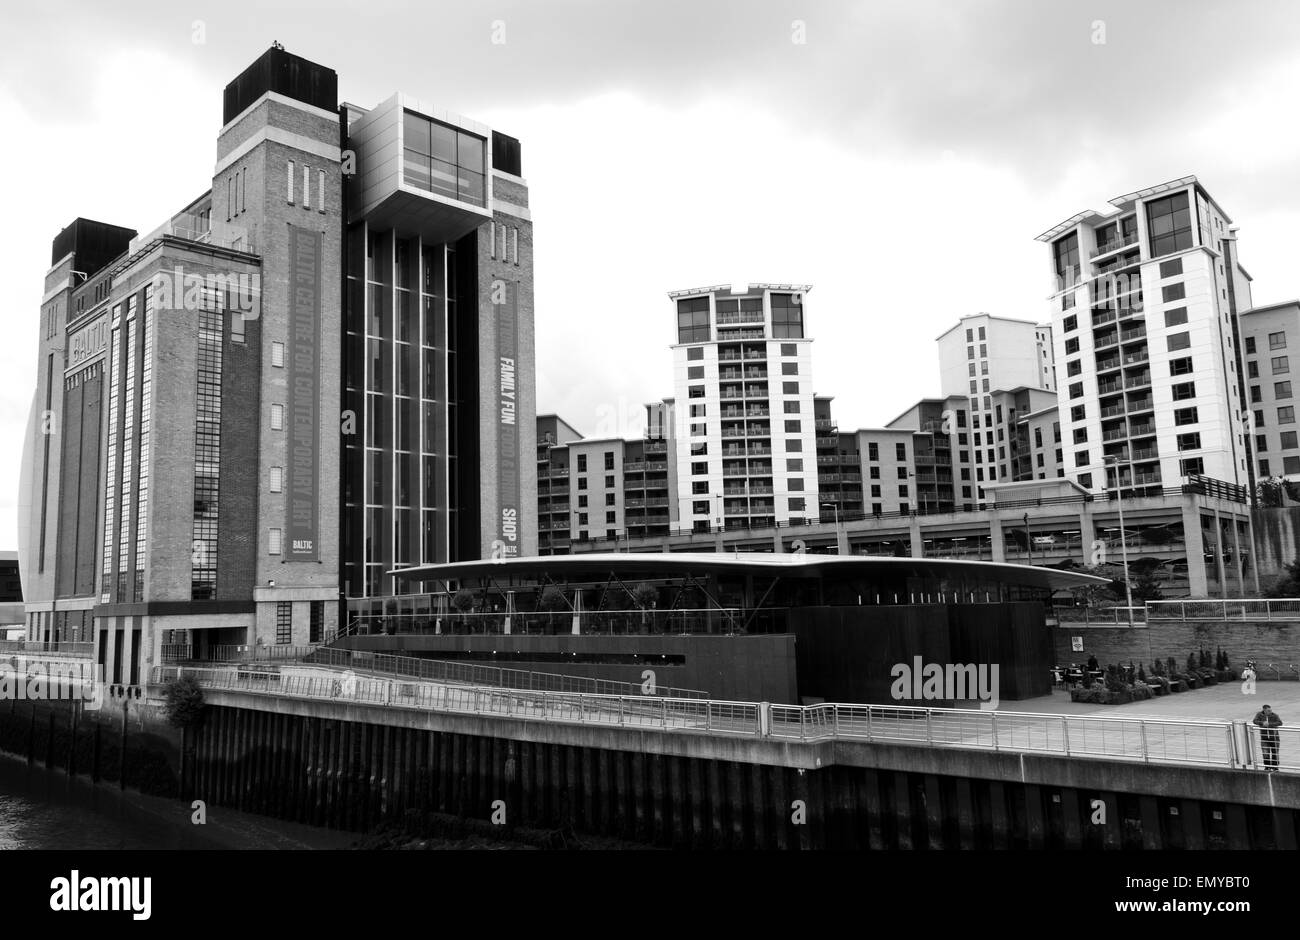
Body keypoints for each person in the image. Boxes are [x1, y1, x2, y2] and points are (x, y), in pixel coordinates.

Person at [1253, 704, 1283, 771]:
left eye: (1270, 710)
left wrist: (1269, 724)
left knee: (1275, 752)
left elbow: (1280, 723)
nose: (1270, 711)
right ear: (1264, 710)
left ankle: (1275, 767)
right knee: (1265, 753)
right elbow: (1254, 721)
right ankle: (1267, 767)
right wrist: (1262, 723)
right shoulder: (1259, 715)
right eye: (1268, 710)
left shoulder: (1274, 715)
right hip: (1264, 738)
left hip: (1274, 737)